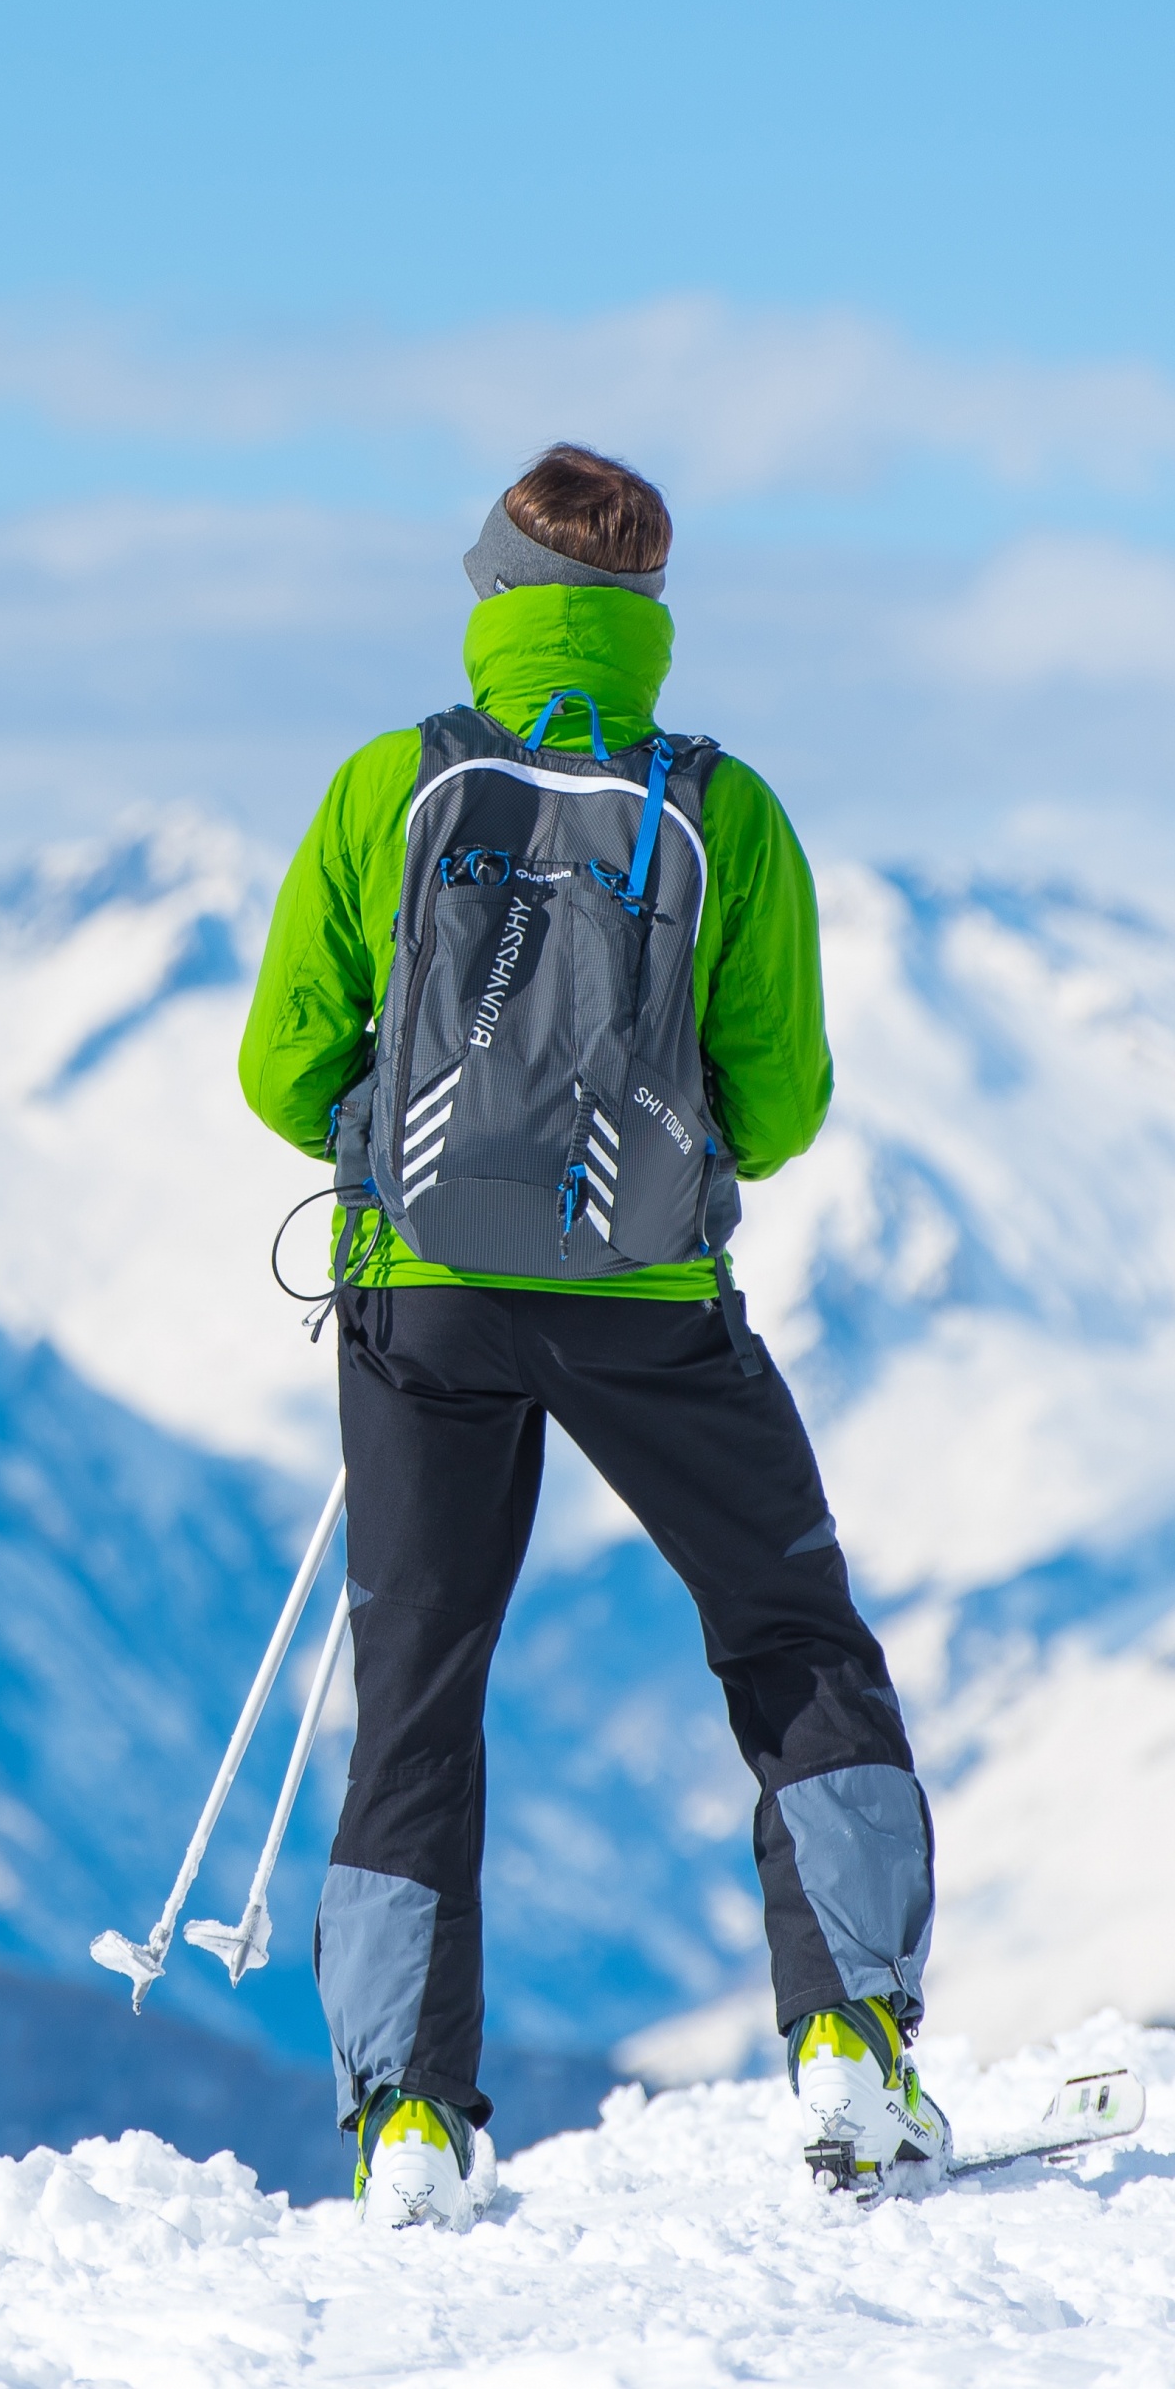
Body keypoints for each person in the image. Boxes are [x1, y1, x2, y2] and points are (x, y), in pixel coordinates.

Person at [239, 443, 945, 2225]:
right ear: (651, 610)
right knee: (788, 1633)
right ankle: (852, 2037)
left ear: (490, 591)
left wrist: (406, 1150)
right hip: (646, 1305)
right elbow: (780, 1106)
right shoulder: (726, 806)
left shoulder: (386, 789)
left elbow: (277, 1069)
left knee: (418, 1686)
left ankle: (408, 2120)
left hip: (422, 1298)